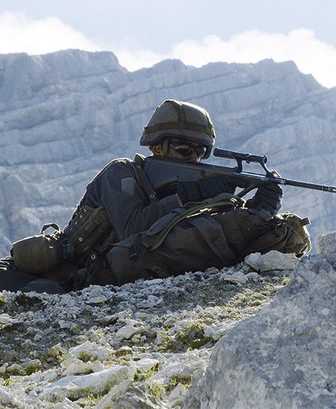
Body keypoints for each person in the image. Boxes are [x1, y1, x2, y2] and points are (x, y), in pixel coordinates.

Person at [0, 99, 310, 294]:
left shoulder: (179, 184)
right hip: (72, 272)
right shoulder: (121, 173)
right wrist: (192, 193)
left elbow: (193, 239)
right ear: (156, 147)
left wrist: (258, 211)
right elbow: (132, 229)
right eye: (184, 150)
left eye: (200, 153)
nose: (193, 159)